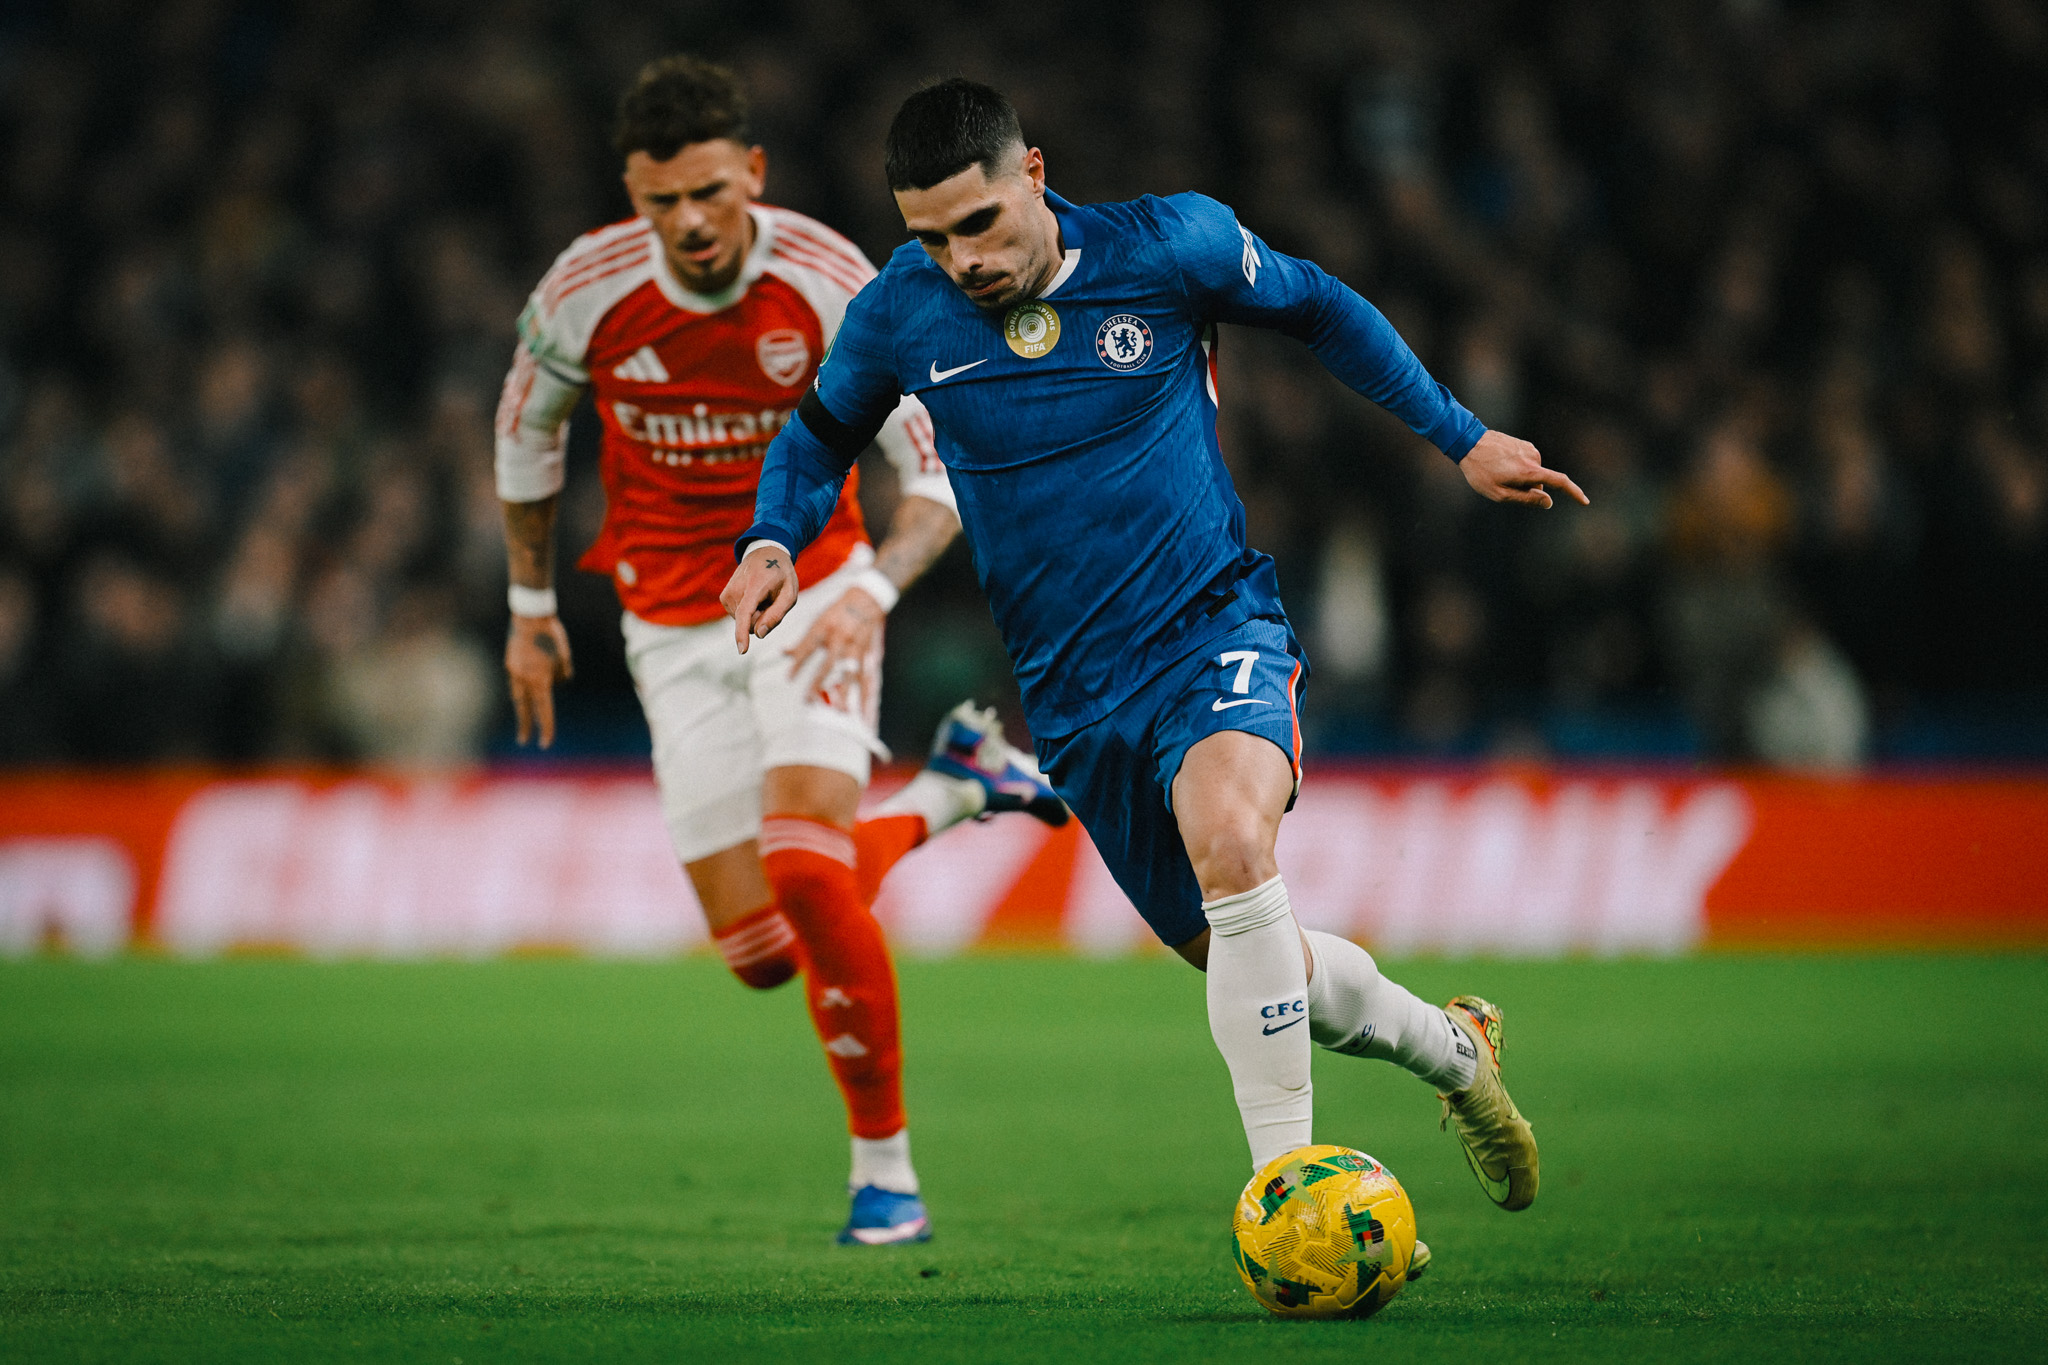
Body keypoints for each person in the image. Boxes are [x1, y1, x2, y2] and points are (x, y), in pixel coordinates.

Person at [724, 79, 1586, 1229]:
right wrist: (773, 537)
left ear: (1032, 174)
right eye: (930, 238)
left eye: (977, 224)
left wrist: (1461, 435)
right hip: (1075, 701)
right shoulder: (899, 312)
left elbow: (1321, 305)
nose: (960, 260)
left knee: (1233, 840)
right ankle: (1449, 1047)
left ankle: (1291, 1203)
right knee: (1244, 955)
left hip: (1210, 627)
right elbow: (815, 436)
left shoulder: (1168, 245)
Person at [493, 58, 1065, 1247]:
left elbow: (931, 472)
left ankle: (886, 1176)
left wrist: (865, 584)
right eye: (662, 202)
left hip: (811, 585)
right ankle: (959, 786)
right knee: (759, 951)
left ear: (749, 172)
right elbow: (528, 440)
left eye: (709, 190)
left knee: (807, 871)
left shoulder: (829, 279)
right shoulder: (584, 292)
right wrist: (530, 605)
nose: (690, 222)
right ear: (632, 196)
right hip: (667, 614)